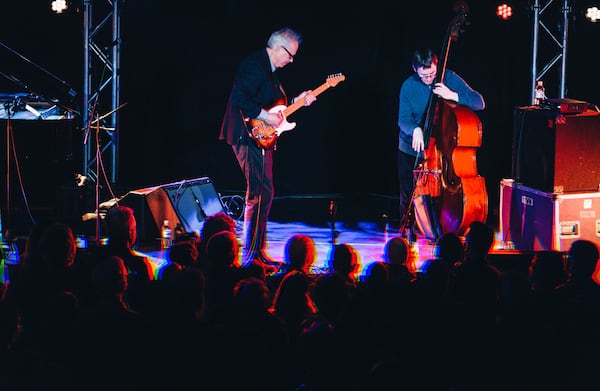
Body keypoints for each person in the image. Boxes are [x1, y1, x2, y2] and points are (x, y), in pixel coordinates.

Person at [219, 27, 316, 267]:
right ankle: (251, 255)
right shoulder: (253, 65)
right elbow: (240, 100)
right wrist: (265, 116)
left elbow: (274, 106)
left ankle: (257, 251)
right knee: (259, 193)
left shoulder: (268, 71)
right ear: (277, 47)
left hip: (260, 137)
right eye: (290, 54)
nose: (291, 60)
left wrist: (297, 101)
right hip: (246, 134)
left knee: (264, 192)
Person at [397, 48, 485, 237]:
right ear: (415, 70)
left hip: (441, 151)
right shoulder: (408, 86)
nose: (429, 79)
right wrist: (415, 130)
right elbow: (403, 119)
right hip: (411, 148)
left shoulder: (449, 78)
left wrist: (453, 95)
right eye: (424, 76)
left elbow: (479, 102)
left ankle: (440, 231)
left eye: (432, 74)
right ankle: (407, 237)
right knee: (408, 195)